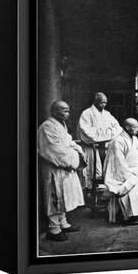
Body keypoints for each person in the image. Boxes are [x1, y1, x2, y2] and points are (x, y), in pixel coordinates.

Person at [38, 101, 85, 241]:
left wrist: (77, 150)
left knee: (62, 196)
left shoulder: (61, 125)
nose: (67, 113)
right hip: (54, 167)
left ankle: (63, 223)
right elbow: (55, 151)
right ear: (54, 111)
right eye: (63, 110)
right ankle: (54, 229)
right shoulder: (47, 127)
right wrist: (73, 159)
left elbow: (69, 142)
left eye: (68, 110)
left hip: (64, 167)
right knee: (53, 196)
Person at [77, 92, 121, 190]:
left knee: (106, 172)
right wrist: (107, 133)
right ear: (96, 102)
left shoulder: (107, 114)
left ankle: (102, 194)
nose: (104, 105)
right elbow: (88, 133)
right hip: (91, 148)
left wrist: (102, 134)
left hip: (106, 148)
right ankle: (89, 194)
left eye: (105, 103)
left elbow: (118, 128)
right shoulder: (87, 113)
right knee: (91, 174)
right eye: (101, 103)